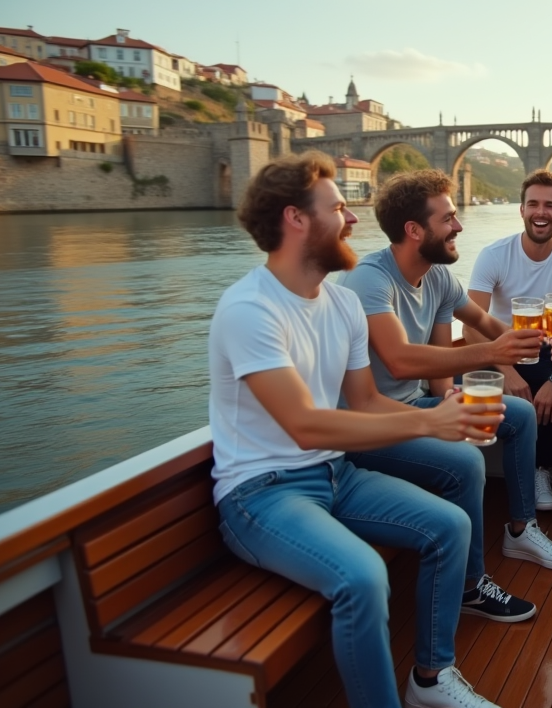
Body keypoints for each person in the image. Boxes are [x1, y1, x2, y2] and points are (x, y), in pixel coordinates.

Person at [209, 152, 501, 708]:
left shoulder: (342, 304)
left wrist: (447, 419)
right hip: (261, 494)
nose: (353, 219)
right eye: (340, 208)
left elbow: (365, 402)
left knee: (451, 526)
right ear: (296, 218)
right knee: (363, 576)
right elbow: (303, 424)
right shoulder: (250, 309)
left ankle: (431, 679)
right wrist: (428, 420)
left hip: (335, 473)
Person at [339, 169, 552, 622]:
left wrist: (541, 345)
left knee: (519, 413)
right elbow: (400, 361)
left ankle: (521, 529)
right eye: (448, 218)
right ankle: (470, 586)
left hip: (414, 405)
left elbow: (487, 325)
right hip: (366, 425)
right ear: (414, 230)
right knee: (466, 462)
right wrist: (493, 353)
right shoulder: (370, 280)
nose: (459, 226)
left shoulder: (437, 277)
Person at [466, 169, 552, 511]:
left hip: (545, 352)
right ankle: (474, 474)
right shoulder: (494, 255)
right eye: (533, 204)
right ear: (522, 210)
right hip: (499, 351)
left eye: (549, 205)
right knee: (478, 378)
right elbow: (471, 328)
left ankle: (541, 467)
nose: (540, 212)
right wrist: (508, 373)